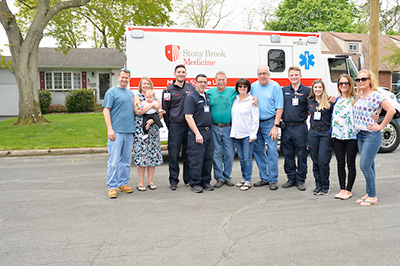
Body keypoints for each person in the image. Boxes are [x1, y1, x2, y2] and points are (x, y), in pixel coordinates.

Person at [353, 70, 395, 206]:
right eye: (358, 79)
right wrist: (377, 113)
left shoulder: (376, 95)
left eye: (363, 79)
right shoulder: (359, 96)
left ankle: (372, 196)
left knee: (364, 165)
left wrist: (381, 126)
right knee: (369, 166)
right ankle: (369, 192)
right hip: (360, 134)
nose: (360, 82)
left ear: (370, 80)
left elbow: (391, 110)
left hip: (371, 135)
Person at [102, 68, 135, 199]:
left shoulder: (130, 94)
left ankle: (122, 183)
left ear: (129, 79)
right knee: (114, 161)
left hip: (129, 131)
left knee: (126, 161)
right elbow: (106, 110)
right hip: (116, 132)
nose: (124, 79)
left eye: (126, 78)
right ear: (118, 77)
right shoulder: (111, 92)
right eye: (122, 77)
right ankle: (112, 186)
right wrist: (110, 129)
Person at [162, 65, 196, 190]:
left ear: (186, 74)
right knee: (174, 154)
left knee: (189, 154)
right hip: (175, 126)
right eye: (179, 72)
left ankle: (188, 179)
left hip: (189, 126)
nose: (181, 74)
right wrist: (170, 125)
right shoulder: (168, 90)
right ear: (174, 73)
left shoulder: (191, 88)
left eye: (183, 72)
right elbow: (165, 109)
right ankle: (173, 180)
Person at [250, 65, 283, 191]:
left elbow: (279, 108)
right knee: (258, 151)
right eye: (260, 74)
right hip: (256, 123)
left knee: (272, 151)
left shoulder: (275, 87)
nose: (262, 76)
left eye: (264, 73)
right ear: (257, 75)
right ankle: (264, 178)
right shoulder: (253, 86)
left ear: (269, 74)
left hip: (270, 123)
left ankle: (273, 179)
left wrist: (275, 126)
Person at [281, 66, 311, 191]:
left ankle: (300, 180)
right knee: (287, 154)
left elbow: (311, 108)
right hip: (286, 127)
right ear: (288, 77)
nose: (294, 77)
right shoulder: (284, 90)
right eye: (291, 75)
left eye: (296, 75)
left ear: (300, 76)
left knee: (302, 154)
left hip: (300, 127)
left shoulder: (307, 91)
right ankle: (291, 178)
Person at [206, 71, 237, 188]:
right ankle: (219, 178)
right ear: (215, 81)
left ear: (226, 80)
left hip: (228, 127)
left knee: (229, 153)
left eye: (223, 79)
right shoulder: (209, 93)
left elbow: (244, 96)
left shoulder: (232, 92)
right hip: (214, 127)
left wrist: (254, 99)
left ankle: (227, 177)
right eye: (219, 79)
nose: (221, 81)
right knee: (217, 153)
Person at [184, 74, 214, 193]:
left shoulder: (206, 96)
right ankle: (195, 182)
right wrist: (197, 133)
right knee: (196, 158)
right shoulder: (191, 98)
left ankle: (205, 181)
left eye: (205, 82)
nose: (203, 84)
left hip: (208, 132)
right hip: (197, 132)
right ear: (195, 83)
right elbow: (188, 117)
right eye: (200, 82)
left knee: (208, 158)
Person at [133, 78, 164, 192]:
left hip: (153, 131)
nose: (145, 86)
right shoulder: (137, 97)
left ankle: (150, 181)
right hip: (141, 131)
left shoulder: (156, 98)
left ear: (151, 86)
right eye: (143, 84)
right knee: (142, 156)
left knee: (152, 156)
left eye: (147, 84)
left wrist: (152, 121)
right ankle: (140, 183)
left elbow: (160, 114)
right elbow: (138, 111)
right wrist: (151, 106)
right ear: (140, 86)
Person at [331, 74, 358, 200]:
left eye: (346, 83)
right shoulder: (336, 100)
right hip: (338, 136)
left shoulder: (356, 99)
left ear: (350, 84)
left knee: (350, 164)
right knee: (340, 163)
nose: (343, 85)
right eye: (341, 83)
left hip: (351, 136)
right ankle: (342, 188)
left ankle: (349, 189)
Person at [230, 79, 259, 191]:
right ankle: (243, 177)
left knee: (247, 158)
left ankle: (248, 181)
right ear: (237, 87)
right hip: (237, 134)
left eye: (245, 86)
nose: (242, 88)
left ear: (248, 88)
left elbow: (255, 119)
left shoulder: (252, 101)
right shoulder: (235, 99)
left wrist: (253, 134)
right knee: (241, 158)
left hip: (247, 134)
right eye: (240, 86)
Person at [307, 80, 333, 196]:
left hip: (325, 134)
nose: (317, 89)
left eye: (319, 87)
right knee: (315, 161)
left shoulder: (329, 101)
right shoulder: (309, 101)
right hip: (313, 133)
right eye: (315, 87)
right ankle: (318, 185)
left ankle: (325, 186)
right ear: (313, 89)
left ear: (323, 89)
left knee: (323, 161)